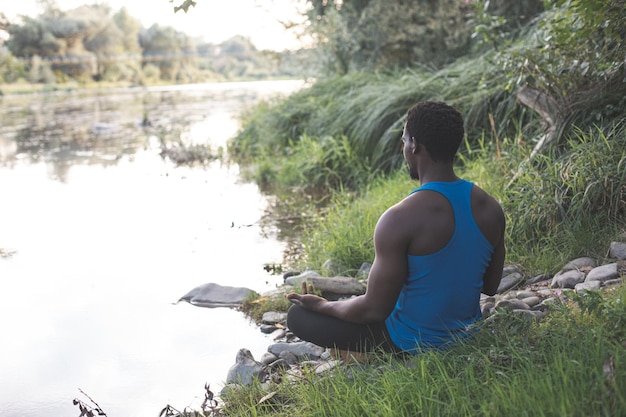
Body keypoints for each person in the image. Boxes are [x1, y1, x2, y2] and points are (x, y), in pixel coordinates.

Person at [286, 101, 506, 357]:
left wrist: (324, 306)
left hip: (409, 342)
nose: (404, 149)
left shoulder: (399, 218)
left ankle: (368, 355)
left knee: (298, 316)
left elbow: (374, 310)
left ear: (414, 145)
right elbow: (490, 286)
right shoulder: (490, 208)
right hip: (466, 334)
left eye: (403, 141)